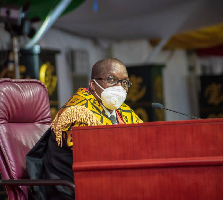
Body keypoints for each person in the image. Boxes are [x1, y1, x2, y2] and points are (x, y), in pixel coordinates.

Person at [26, 58, 143, 200]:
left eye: (124, 82)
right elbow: (96, 158)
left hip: (102, 184)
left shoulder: (122, 110)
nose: (119, 87)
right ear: (93, 85)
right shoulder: (77, 112)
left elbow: (142, 143)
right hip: (69, 191)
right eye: (112, 79)